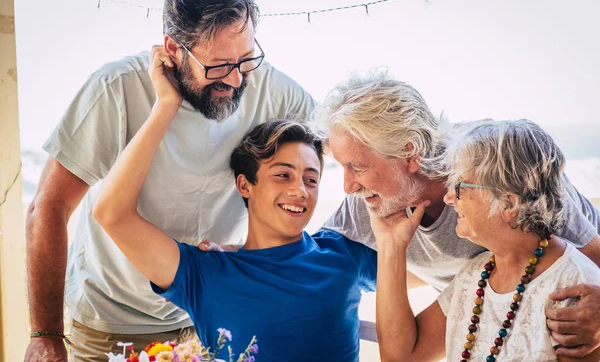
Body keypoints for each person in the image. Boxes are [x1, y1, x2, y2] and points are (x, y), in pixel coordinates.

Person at [24, 0, 314, 361]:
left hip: (209, 315)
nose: (233, 80)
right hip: (110, 320)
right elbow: (49, 207)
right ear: (173, 49)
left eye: (245, 59)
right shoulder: (115, 89)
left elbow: (335, 156)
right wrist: (45, 334)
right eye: (217, 66)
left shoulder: (273, 90)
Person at [92, 47, 377, 360]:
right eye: (283, 175)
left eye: (311, 179)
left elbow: (433, 271)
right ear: (246, 185)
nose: (300, 190)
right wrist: (166, 105)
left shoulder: (342, 254)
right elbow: (112, 213)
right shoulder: (207, 273)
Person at [312, 69, 600, 358]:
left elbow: (591, 258)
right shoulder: (373, 205)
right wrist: (390, 249)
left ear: (409, 152)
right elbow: (304, 263)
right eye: (342, 166)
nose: (348, 187)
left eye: (357, 167)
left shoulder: (500, 163)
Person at [371, 119, 600, 361]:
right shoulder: (475, 275)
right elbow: (400, 357)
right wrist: (391, 247)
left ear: (508, 204)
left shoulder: (574, 289)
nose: (449, 198)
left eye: (459, 187)